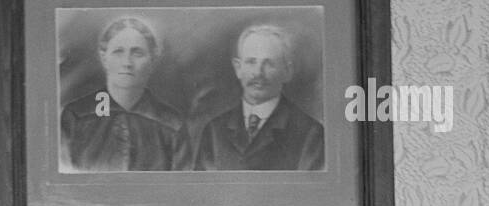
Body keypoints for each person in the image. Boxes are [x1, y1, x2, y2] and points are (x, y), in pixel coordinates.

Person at [60, 15, 188, 172]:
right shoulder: (75, 116)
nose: (127, 63)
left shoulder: (171, 124)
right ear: (104, 57)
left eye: (137, 53)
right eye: (118, 52)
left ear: (152, 60)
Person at [193, 24, 325, 172]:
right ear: (238, 68)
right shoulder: (213, 131)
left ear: (287, 71)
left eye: (268, 64)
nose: (258, 73)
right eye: (251, 62)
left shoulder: (311, 134)